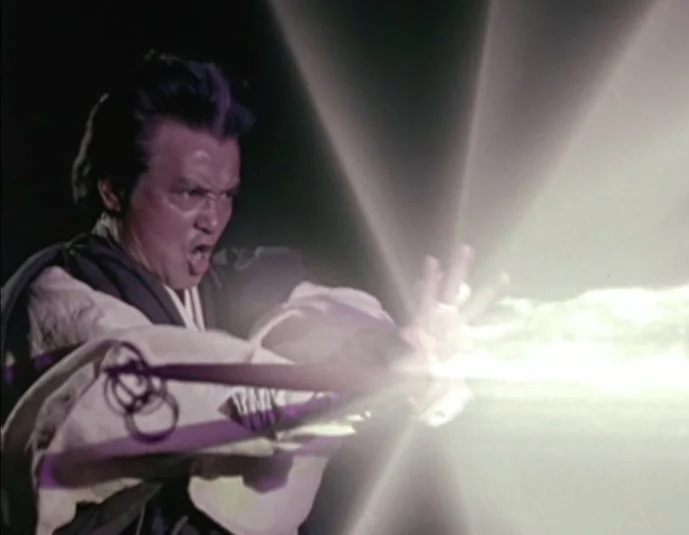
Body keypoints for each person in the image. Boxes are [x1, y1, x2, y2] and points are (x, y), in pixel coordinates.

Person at [1, 51, 501, 534]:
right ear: (113, 189)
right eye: (190, 193)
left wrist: (389, 347)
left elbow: (307, 317)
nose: (213, 219)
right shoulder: (58, 295)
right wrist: (348, 381)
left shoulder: (221, 283)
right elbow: (163, 379)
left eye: (226, 196)